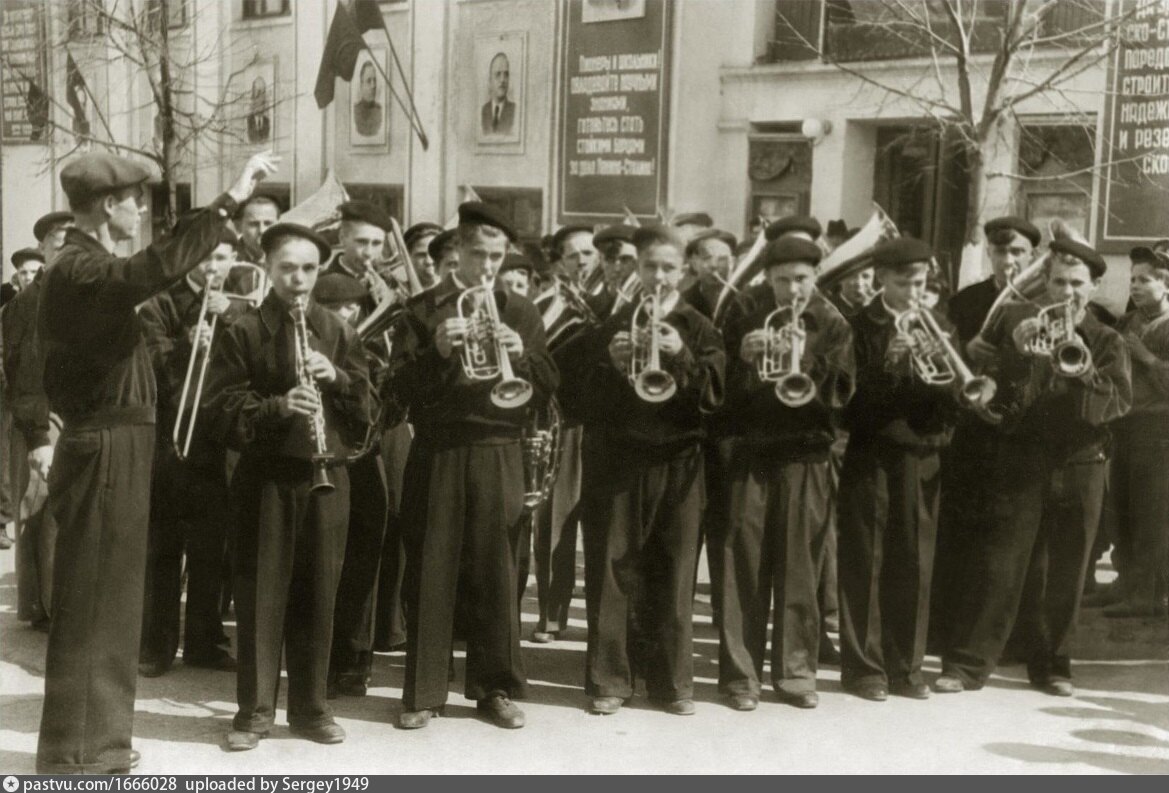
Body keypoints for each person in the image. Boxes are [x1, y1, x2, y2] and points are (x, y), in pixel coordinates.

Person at [34, 149, 277, 774]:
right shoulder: (79, 267)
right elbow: (151, 270)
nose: (141, 209)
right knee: (94, 600)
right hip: (105, 443)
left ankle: (100, 743)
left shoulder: (93, 266)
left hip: (124, 440)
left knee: (114, 601)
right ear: (106, 205)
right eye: (135, 200)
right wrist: (225, 203)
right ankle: (73, 755)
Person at [387, 202, 558, 730]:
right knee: (431, 569)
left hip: (499, 447)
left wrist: (522, 357)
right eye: (478, 254)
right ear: (457, 252)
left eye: (497, 256)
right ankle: (423, 691)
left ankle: (496, 688)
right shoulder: (420, 311)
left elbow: (548, 386)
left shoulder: (522, 311)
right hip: (438, 448)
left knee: (496, 571)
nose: (487, 266)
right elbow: (396, 393)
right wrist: (436, 351)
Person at [936, 239, 1131, 697]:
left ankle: (1053, 666)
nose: (1067, 292)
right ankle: (967, 664)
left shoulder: (1107, 338)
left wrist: (1077, 368)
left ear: (1094, 286)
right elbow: (998, 404)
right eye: (1059, 281)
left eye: (1077, 284)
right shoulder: (1018, 326)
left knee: (1066, 571)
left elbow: (1117, 403)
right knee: (998, 564)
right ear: (1046, 282)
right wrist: (1017, 357)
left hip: (1081, 464)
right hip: (1023, 459)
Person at [205, 222, 374, 750]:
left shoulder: (338, 330)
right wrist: (279, 407)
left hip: (328, 476)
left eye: (307, 269)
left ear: (318, 271)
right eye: (286, 269)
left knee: (318, 595)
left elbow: (372, 407)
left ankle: (311, 709)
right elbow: (220, 410)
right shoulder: (244, 330)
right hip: (267, 480)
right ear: (269, 270)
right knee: (261, 595)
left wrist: (339, 380)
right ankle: (254, 713)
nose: (297, 280)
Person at [566, 224, 725, 716]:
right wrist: (610, 367)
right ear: (637, 268)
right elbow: (575, 402)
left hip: (680, 463)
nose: (658, 276)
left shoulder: (699, 327)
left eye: (668, 267)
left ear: (684, 270)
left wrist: (685, 358)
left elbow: (716, 401)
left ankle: (672, 684)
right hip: (619, 461)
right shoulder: (612, 323)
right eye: (649, 266)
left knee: (675, 571)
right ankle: (609, 681)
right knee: (612, 571)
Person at [718, 237, 854, 711]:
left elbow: (841, 397)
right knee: (745, 568)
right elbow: (722, 401)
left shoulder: (834, 324)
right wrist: (742, 360)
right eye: (782, 280)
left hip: (805, 458)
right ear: (768, 279)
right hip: (753, 454)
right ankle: (741, 676)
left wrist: (807, 359)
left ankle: (797, 674)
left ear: (814, 278)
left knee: (801, 567)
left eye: (801, 279)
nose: (792, 289)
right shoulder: (747, 319)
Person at [836, 237, 958, 703]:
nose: (913, 291)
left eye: (921, 282)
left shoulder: (940, 325)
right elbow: (846, 405)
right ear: (882, 278)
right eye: (904, 282)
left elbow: (953, 404)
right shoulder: (858, 327)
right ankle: (864, 668)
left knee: (915, 561)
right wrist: (889, 364)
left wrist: (944, 370)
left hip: (920, 456)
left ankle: (907, 668)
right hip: (871, 453)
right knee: (865, 560)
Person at [931, 216, 1041, 655]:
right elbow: (942, 358)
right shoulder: (966, 300)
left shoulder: (1041, 302)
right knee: (961, 531)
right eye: (1002, 252)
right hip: (972, 431)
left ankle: (1011, 639)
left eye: (1019, 253)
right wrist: (965, 352)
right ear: (990, 254)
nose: (1009, 260)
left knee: (1012, 544)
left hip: (1020, 431)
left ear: (1032, 258)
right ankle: (947, 631)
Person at [137, 225, 244, 678]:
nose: (213, 267)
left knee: (210, 551)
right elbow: (149, 371)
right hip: (171, 441)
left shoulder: (239, 307)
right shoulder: (160, 304)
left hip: (215, 441)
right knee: (164, 548)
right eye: (206, 258)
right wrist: (187, 345)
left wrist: (231, 324)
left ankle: (204, 642)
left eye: (222, 258)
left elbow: (250, 369)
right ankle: (156, 646)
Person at [1105, 249, 1169, 618]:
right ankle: (1125, 583)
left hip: (1158, 433)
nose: (1135, 285)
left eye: (1145, 279)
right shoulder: (1128, 321)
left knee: (1151, 515)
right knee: (1122, 511)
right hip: (1126, 427)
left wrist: (1144, 355)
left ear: (1166, 285)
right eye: (1132, 279)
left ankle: (1147, 595)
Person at [682, 229, 736, 318]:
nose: (714, 265)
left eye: (722, 259)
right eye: (707, 258)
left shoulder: (747, 300)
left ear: (732, 263)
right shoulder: (682, 302)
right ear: (694, 263)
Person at [234, 195, 281, 263]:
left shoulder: (290, 256)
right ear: (238, 226)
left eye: (268, 223)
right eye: (254, 224)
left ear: (279, 226)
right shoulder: (226, 259)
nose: (262, 231)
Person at [480, 52, 516, 136]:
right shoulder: (483, 111)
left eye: (506, 74)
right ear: (490, 81)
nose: (503, 80)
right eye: (498, 74)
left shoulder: (515, 111)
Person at [404, 221, 443, 288]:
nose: (429, 261)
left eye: (434, 253)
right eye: (421, 255)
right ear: (408, 257)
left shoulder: (460, 293)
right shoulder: (394, 294)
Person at [353, 61, 383, 137]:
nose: (373, 86)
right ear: (361, 85)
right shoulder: (355, 111)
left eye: (374, 80)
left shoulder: (380, 110)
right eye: (369, 81)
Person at [247, 77, 271, 144]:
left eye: (262, 93)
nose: (260, 99)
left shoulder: (267, 121)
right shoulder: (249, 120)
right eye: (257, 94)